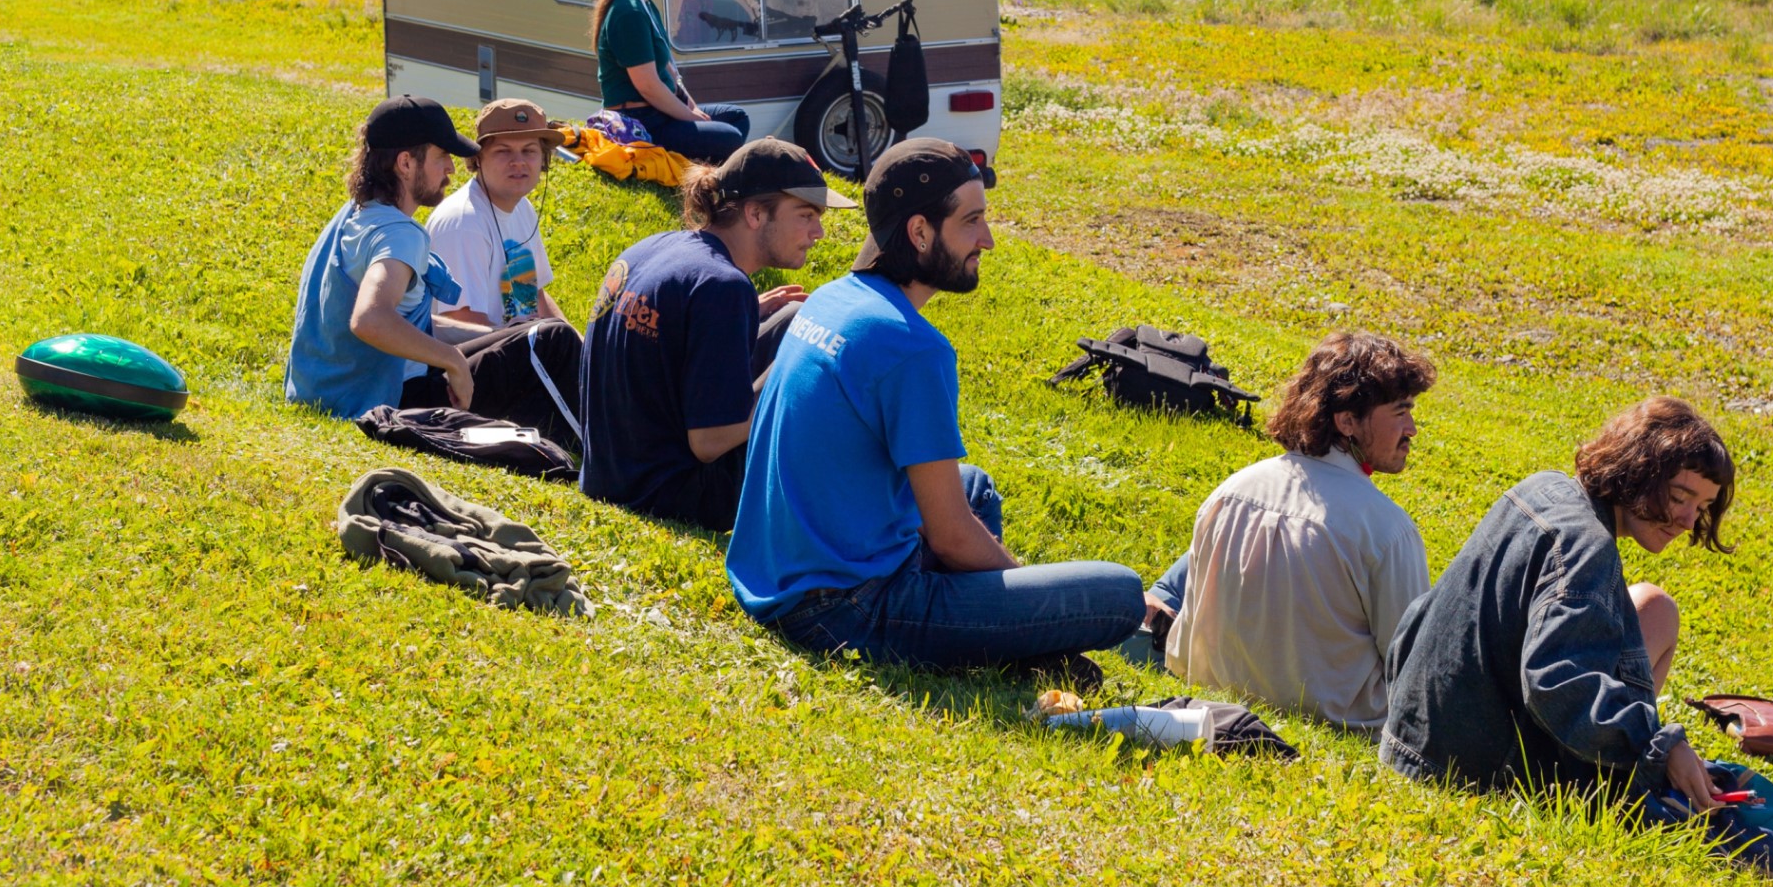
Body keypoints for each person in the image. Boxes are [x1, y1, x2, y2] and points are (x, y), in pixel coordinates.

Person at [725, 138, 1144, 681]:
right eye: (971, 222)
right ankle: (1009, 645)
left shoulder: (836, 296)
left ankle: (1001, 644)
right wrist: (1030, 604)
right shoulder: (911, 347)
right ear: (920, 232)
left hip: (776, 571)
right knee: (1119, 594)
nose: (987, 241)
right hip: (847, 610)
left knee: (974, 488)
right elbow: (948, 536)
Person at [1378, 396, 1736, 815]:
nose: (1689, 521)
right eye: (1680, 497)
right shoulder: (1587, 547)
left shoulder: (1545, 489)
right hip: (1470, 774)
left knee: (1657, 609)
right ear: (1639, 469)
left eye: (1703, 507)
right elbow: (1556, 682)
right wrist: (1657, 745)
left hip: (1414, 739)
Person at [1140, 331, 1435, 732]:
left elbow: (1187, 641)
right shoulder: (1387, 530)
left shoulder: (1230, 492)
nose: (1413, 428)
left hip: (1213, 694)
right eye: (1400, 412)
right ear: (1347, 421)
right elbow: (1413, 669)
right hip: (1339, 720)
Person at [578, 138, 852, 532]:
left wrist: (746, 315)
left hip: (610, 477)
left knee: (794, 316)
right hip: (672, 496)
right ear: (755, 213)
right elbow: (710, 443)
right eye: (806, 215)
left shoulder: (659, 248)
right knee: (820, 365)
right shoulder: (722, 287)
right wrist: (795, 375)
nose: (819, 232)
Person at [286, 96, 583, 443]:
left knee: (538, 334)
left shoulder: (354, 214)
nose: (451, 169)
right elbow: (370, 319)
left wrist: (502, 337)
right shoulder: (399, 235)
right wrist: (453, 361)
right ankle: (607, 445)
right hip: (389, 401)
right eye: (442, 156)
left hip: (329, 394)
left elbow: (410, 321)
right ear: (406, 163)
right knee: (552, 342)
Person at [590, 0, 750, 163]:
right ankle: (704, 180)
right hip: (641, 119)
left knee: (737, 118)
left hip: (659, 113)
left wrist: (693, 109)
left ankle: (702, 174)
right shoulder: (628, 12)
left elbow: (669, 72)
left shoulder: (644, 5)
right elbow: (648, 86)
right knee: (729, 137)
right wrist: (690, 118)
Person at [426, 98, 565, 328]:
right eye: (504, 151)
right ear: (477, 158)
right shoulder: (463, 224)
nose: (518, 162)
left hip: (514, 350)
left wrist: (579, 347)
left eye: (529, 150)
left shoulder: (523, 208)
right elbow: (464, 329)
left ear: (543, 159)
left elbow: (535, 296)